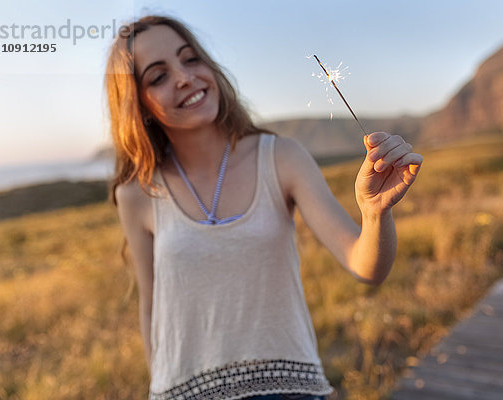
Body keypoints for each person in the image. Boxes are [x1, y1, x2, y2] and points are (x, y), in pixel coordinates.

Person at [104, 14, 422, 400]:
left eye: (190, 59)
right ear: (139, 105)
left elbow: (365, 266)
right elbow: (152, 307)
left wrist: (375, 213)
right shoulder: (137, 194)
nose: (184, 77)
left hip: (288, 391)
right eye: (158, 76)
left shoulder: (282, 158)